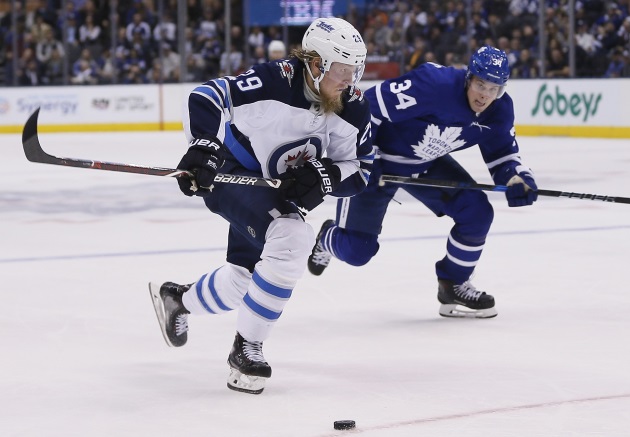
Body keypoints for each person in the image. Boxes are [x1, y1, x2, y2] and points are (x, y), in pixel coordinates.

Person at [149, 17, 372, 395]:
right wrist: (204, 146)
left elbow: (360, 171)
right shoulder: (274, 81)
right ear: (316, 64)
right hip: (235, 174)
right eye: (342, 70)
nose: (350, 80)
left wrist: (324, 176)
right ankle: (246, 349)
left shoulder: (351, 107)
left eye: (356, 69)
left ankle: (177, 299)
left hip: (276, 189)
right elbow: (206, 96)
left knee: (245, 279)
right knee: (291, 238)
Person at [308, 46, 538, 319]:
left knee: (477, 212)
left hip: (426, 164)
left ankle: (453, 284)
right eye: (480, 85)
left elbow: (504, 155)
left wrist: (517, 178)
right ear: (469, 78)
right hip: (377, 165)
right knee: (357, 251)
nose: (485, 95)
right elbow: (371, 104)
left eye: (494, 89)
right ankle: (326, 237)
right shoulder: (434, 85)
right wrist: (362, 156)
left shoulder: (499, 111)